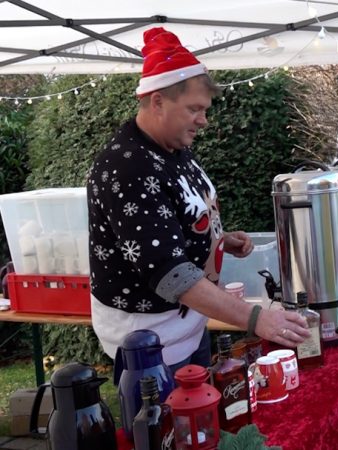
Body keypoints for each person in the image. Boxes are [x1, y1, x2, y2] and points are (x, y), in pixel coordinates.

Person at [88, 27, 310, 374]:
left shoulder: (174, 147)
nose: (204, 120)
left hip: (189, 326)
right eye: (195, 108)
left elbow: (177, 219)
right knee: (173, 424)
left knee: (207, 422)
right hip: (150, 343)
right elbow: (169, 272)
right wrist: (257, 318)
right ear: (158, 100)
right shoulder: (126, 166)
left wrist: (217, 240)